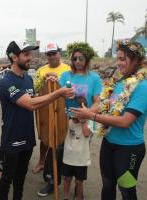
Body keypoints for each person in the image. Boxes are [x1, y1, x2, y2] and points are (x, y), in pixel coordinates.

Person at [70, 40, 147, 200]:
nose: (118, 63)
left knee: (127, 190)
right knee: (107, 186)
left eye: (123, 59)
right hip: (108, 144)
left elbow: (125, 121)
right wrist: (85, 112)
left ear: (136, 60)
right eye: (118, 58)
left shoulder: (144, 87)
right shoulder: (118, 82)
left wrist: (91, 116)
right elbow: (102, 105)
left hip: (130, 149)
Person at [0, 41, 74, 200]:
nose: (30, 58)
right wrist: (58, 93)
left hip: (27, 136)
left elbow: (37, 100)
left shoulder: (27, 79)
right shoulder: (7, 82)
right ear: (14, 57)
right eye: (26, 55)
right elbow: (30, 104)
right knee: (7, 177)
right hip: (12, 138)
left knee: (21, 176)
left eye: (30, 54)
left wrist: (50, 85)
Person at [59, 42, 102, 200]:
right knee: (64, 157)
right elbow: (55, 94)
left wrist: (87, 114)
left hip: (85, 121)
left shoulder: (94, 78)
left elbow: (98, 101)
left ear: (87, 59)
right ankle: (60, 187)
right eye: (75, 58)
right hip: (66, 122)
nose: (77, 61)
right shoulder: (65, 76)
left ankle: (79, 192)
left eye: (81, 58)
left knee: (80, 156)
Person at [34, 43, 71, 197]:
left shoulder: (67, 69)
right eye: (48, 54)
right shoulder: (41, 70)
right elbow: (36, 88)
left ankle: (62, 175)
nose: (51, 56)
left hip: (63, 111)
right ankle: (42, 163)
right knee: (45, 139)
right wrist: (44, 79)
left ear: (59, 53)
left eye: (53, 53)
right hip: (45, 110)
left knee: (62, 143)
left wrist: (58, 81)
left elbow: (71, 88)